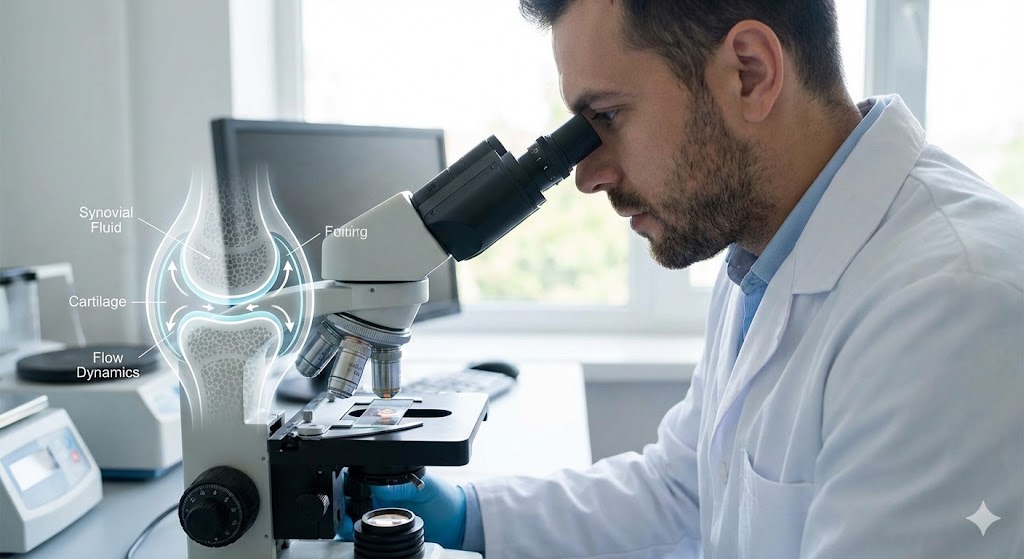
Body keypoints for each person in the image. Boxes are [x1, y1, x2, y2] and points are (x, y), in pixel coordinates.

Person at [340, 1, 1024, 557]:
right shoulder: (765, 247)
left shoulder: (954, 307)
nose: (587, 174)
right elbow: (684, 487)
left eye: (606, 117)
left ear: (749, 74)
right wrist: (467, 516)